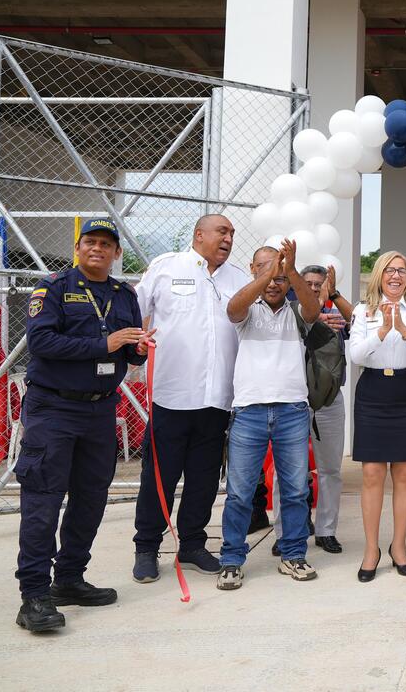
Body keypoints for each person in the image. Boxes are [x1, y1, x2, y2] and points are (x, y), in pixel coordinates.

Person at [14, 218, 151, 632]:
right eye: (90, 242)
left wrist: (138, 350)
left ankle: (69, 580)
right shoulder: (53, 288)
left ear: (116, 253)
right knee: (43, 500)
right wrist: (102, 345)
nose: (98, 249)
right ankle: (34, 597)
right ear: (78, 247)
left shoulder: (124, 294)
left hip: (99, 411)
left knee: (90, 498)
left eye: (106, 244)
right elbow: (40, 342)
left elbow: (129, 354)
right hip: (53, 408)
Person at [132, 214, 252, 583]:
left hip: (218, 398)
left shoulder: (239, 280)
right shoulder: (167, 268)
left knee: (203, 478)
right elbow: (134, 313)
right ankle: (147, 548)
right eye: (222, 231)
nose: (228, 238)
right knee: (159, 477)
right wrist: (134, 340)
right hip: (172, 393)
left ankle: (193, 544)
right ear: (199, 235)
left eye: (231, 233)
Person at [217, 240, 323, 589]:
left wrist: (289, 270)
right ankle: (232, 558)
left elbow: (314, 309)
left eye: (280, 275)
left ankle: (293, 555)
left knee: (294, 489)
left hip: (292, 409)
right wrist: (269, 273)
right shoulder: (248, 309)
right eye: (265, 269)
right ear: (253, 270)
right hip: (248, 411)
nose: (275, 281)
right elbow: (233, 309)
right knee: (240, 491)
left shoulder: (296, 311)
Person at [347, 251, 406, 582]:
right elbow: (356, 356)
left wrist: (404, 329)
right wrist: (383, 330)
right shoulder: (363, 311)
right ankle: (372, 549)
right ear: (380, 275)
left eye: (402, 271)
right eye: (390, 270)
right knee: (372, 473)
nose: (397, 276)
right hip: (372, 392)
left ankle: (399, 547)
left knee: (404, 473)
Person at [271, 264, 354, 555]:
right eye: (309, 283)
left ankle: (326, 531)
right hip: (293, 401)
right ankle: (283, 534)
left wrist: (336, 301)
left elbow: (358, 320)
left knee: (330, 469)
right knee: (286, 472)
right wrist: (317, 314)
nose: (315, 288)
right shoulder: (289, 312)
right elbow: (305, 319)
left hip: (330, 401)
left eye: (320, 284)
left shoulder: (338, 315)